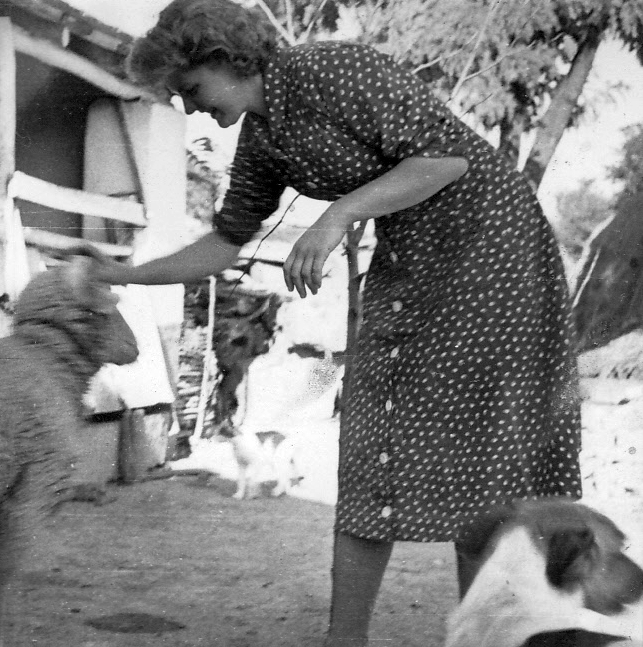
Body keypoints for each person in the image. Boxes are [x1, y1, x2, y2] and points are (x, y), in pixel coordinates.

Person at [82, 1, 582, 645]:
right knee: (369, 443)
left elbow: (445, 161)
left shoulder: (329, 68)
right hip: (413, 257)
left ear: (222, 60)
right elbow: (223, 244)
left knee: (483, 454)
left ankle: (485, 635)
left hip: (491, 245)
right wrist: (120, 275)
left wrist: (336, 215)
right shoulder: (262, 142)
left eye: (190, 90)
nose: (190, 108)